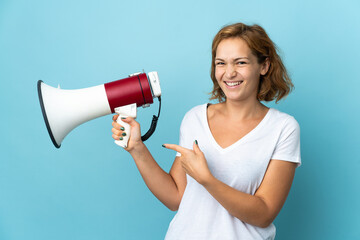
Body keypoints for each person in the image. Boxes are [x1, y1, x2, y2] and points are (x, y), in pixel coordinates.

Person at [111, 22, 301, 240]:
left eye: (240, 62)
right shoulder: (195, 118)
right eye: (221, 63)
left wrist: (207, 180)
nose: (229, 73)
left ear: (264, 66)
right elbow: (176, 197)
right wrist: (137, 148)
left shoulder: (283, 128)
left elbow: (264, 213)